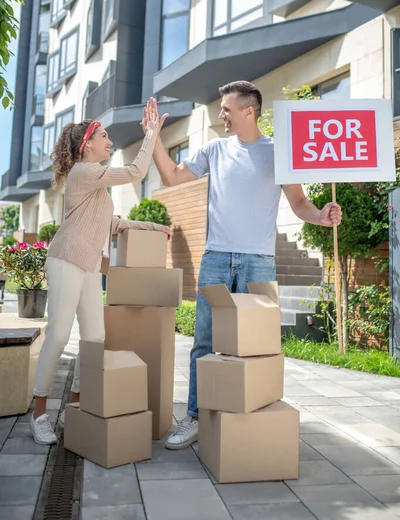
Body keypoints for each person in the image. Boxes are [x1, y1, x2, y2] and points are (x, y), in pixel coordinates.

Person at [144, 81, 342, 450]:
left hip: (259, 262)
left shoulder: (278, 153)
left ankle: (251, 421)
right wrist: (153, 136)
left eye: (226, 109)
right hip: (217, 258)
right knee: (204, 342)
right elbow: (171, 177)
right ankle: (195, 416)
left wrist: (322, 215)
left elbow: (300, 205)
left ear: (249, 111)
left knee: (258, 346)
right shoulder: (214, 150)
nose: (221, 115)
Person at [31, 104, 171, 445]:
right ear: (87, 144)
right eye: (104, 136)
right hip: (66, 260)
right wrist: (150, 133)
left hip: (90, 266)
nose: (109, 141)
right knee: (60, 335)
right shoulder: (83, 172)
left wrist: (156, 227)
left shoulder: (98, 185)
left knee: (94, 338)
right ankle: (39, 414)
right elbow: (138, 171)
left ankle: (76, 404)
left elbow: (114, 224)